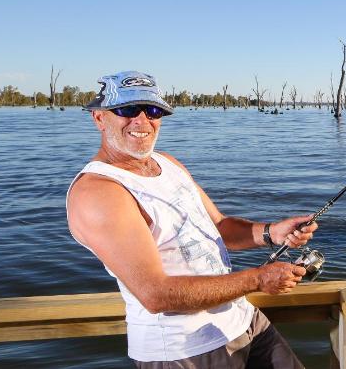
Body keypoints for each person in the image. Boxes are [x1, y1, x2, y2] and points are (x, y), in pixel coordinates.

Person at [66, 71, 318, 368]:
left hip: (245, 322)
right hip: (184, 352)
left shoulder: (167, 163)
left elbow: (219, 227)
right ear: (99, 118)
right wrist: (259, 279)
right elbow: (155, 294)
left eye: (154, 110)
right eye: (128, 110)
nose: (142, 120)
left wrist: (271, 232)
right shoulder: (98, 192)